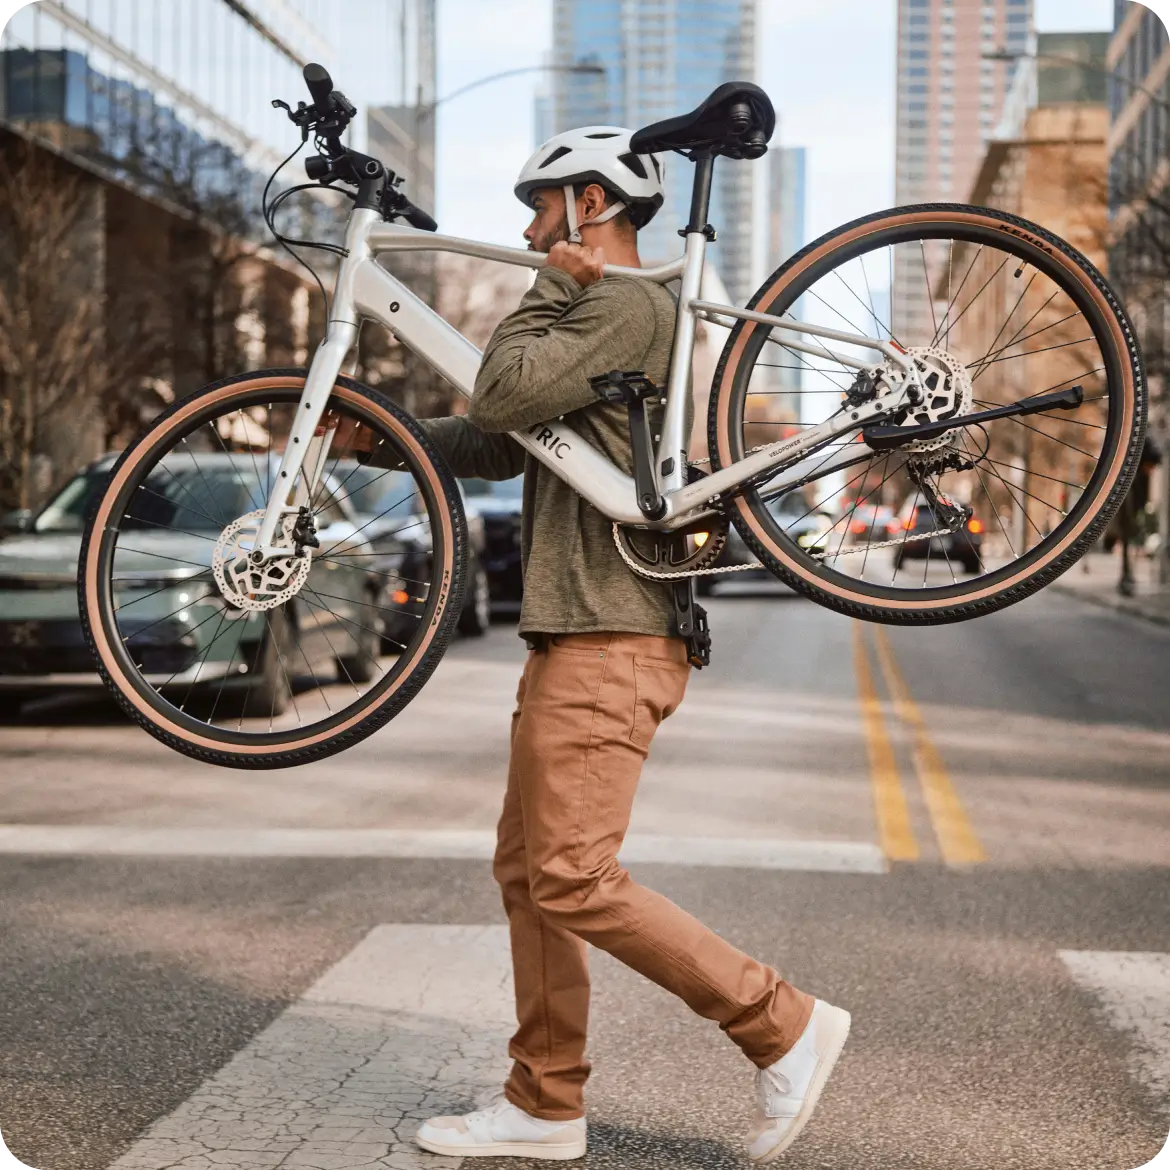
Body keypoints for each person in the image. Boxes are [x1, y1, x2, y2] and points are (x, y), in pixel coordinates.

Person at [353, 126, 851, 1163]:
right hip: (580, 637)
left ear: (591, 203)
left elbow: (502, 391)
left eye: (542, 207)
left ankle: (782, 1024)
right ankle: (545, 1103)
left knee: (573, 875)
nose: (530, 230)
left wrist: (551, 289)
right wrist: (378, 434)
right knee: (531, 871)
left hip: (608, 638)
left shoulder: (622, 305)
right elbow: (501, 438)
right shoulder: (602, 320)